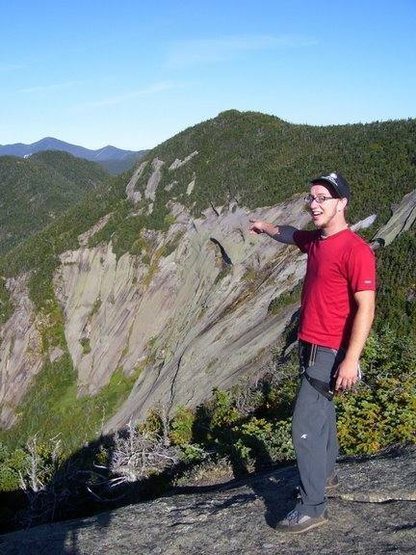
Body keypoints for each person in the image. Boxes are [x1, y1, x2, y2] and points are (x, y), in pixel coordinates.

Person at [249, 172, 376, 534]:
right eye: (311, 198)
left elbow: (365, 308)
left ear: (342, 203)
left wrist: (351, 359)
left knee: (305, 422)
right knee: (322, 413)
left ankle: (312, 507)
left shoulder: (356, 250)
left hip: (331, 349)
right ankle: (326, 476)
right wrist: (264, 226)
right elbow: (291, 234)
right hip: (310, 344)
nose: (314, 204)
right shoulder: (318, 241)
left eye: (322, 198)